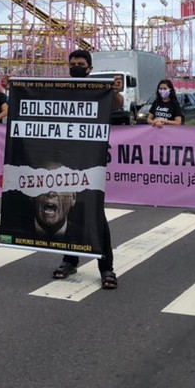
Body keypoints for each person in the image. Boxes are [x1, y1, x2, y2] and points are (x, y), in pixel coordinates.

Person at [52, 49, 118, 290]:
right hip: (66, 160)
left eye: (80, 64)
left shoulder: (99, 89)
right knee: (69, 209)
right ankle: (69, 260)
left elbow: (118, 106)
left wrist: (115, 91)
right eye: (72, 64)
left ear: (90, 68)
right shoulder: (61, 90)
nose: (76, 67)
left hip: (91, 161)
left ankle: (106, 267)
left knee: (94, 212)